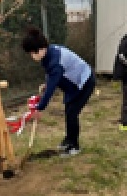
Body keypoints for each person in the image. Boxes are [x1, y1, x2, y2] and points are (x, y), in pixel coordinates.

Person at [22, 28, 95, 156]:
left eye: (32, 53)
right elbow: (51, 75)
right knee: (68, 110)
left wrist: (39, 108)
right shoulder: (49, 52)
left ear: (40, 49)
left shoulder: (55, 61)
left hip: (84, 82)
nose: (32, 56)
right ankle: (69, 139)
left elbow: (51, 88)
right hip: (72, 84)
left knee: (72, 112)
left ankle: (74, 146)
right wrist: (47, 83)